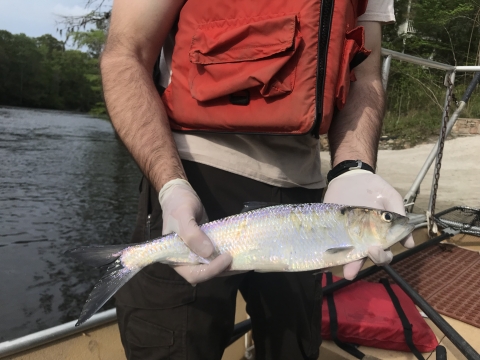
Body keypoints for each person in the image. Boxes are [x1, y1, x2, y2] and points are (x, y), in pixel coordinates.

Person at [100, 0, 414, 359]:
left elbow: (365, 76)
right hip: (194, 176)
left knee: (294, 349)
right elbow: (126, 53)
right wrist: (170, 184)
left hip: (307, 195)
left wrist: (353, 167)